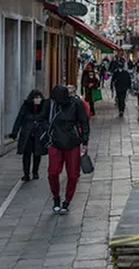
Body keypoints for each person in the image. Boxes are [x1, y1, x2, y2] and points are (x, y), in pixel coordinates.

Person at [44, 85, 90, 215]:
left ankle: (67, 201)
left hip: (72, 143)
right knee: (52, 172)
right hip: (55, 142)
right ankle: (56, 197)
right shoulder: (50, 105)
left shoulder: (76, 104)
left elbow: (84, 122)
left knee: (73, 174)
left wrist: (85, 142)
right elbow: (42, 118)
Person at [9, 90, 48, 182]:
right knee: (26, 154)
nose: (37, 99)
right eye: (36, 98)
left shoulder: (44, 107)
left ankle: (35, 172)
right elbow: (19, 118)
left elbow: (47, 119)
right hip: (27, 134)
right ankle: (26, 174)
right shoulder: (26, 106)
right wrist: (15, 132)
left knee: (37, 154)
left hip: (39, 134)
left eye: (39, 97)